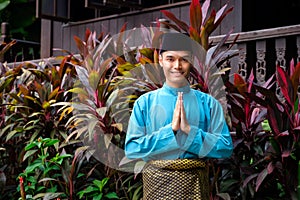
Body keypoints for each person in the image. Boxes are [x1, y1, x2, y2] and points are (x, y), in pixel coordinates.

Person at [124, 32, 233, 199]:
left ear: (191, 62)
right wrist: (170, 131)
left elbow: (225, 146)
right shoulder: (144, 103)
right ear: (160, 60)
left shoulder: (208, 103)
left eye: (184, 59)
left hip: (195, 188)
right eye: (170, 59)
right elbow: (132, 149)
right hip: (157, 189)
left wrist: (191, 131)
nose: (177, 65)